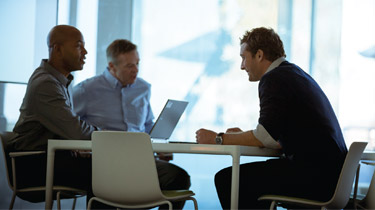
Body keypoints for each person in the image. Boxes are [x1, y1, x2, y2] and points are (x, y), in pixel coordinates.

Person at [195, 27, 348, 209]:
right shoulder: (295, 74)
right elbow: (276, 138)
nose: (242, 66)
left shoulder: (273, 79)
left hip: (315, 178)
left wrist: (216, 138)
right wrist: (242, 135)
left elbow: (264, 136)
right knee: (250, 179)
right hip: (333, 178)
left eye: (244, 57)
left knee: (227, 180)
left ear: (259, 55)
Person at [72, 39, 191, 209]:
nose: (135, 70)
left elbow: (148, 124)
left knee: (179, 177)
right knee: (104, 185)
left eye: (137, 64)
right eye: (129, 66)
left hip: (141, 160)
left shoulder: (143, 88)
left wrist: (160, 145)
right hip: (105, 163)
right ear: (112, 66)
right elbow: (69, 124)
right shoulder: (86, 90)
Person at [6, 25, 98, 202]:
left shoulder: (57, 81)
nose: (85, 52)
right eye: (79, 45)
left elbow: (65, 130)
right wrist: (107, 137)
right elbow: (76, 131)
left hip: (49, 160)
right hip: (33, 167)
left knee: (109, 171)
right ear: (57, 49)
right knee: (108, 173)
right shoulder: (46, 84)